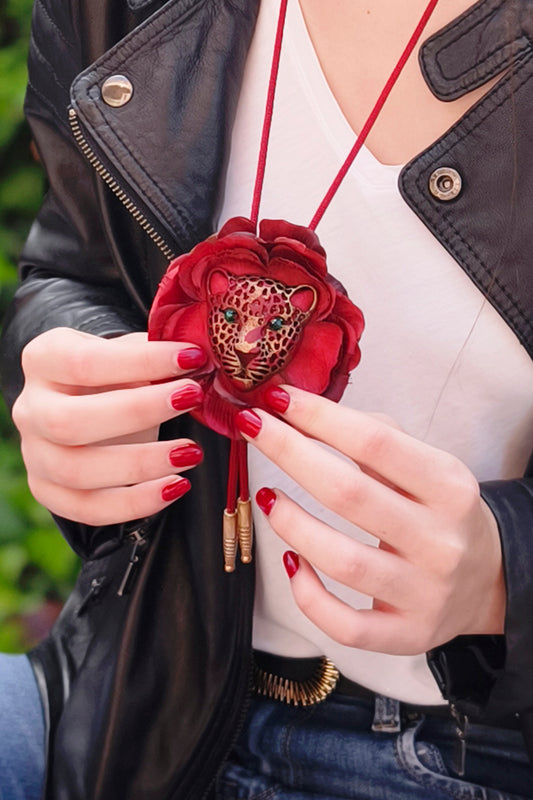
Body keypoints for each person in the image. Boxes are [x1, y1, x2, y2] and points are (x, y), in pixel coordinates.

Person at [2, 0, 533, 797]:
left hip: (468, 754)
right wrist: (77, 386)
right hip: (134, 691)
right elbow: (73, 268)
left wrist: (508, 575)